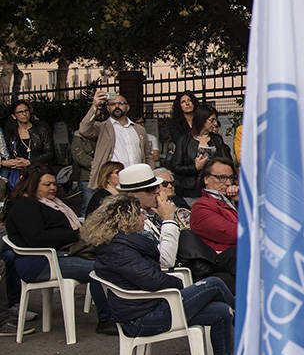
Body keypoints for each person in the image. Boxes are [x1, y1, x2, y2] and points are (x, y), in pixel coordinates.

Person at [85, 194, 235, 355]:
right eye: (139, 214)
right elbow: (154, 280)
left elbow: (152, 277)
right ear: (126, 220)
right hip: (143, 317)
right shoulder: (119, 251)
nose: (144, 219)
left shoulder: (120, 246)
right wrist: (180, 285)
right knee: (214, 284)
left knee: (221, 312)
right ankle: (247, 324)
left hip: (147, 307)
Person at [4, 165, 114, 334]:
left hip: (58, 256)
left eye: (54, 184)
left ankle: (120, 314)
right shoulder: (25, 205)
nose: (53, 188)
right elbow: (36, 239)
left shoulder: (51, 203)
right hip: (38, 263)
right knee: (99, 269)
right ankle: (106, 321)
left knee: (110, 260)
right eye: (47, 184)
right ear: (32, 185)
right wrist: (76, 234)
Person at [78, 91, 152, 190]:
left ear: (127, 107)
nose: (117, 106)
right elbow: (84, 129)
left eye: (121, 103)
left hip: (137, 180)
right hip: (113, 182)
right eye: (112, 104)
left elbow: (147, 155)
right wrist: (94, 106)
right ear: (108, 108)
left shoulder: (139, 129)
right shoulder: (102, 127)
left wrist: (151, 175)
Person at [116, 164, 182, 271]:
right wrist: (168, 220)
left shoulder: (153, 211)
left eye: (157, 186)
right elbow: (166, 261)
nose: (157, 191)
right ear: (132, 195)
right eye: (150, 189)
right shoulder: (130, 221)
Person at [167, 105, 231, 201]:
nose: (215, 123)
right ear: (202, 120)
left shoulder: (217, 140)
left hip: (214, 191)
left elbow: (227, 161)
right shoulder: (185, 140)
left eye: (215, 120)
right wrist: (195, 167)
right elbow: (175, 167)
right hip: (190, 193)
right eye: (212, 120)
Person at [4, 100, 54, 190]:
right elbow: (6, 153)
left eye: (26, 110)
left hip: (38, 172)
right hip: (18, 175)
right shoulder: (10, 132)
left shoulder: (41, 128)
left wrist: (29, 162)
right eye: (20, 112)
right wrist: (9, 163)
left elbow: (49, 153)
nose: (24, 114)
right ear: (14, 116)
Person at [69, 131, 97, 218]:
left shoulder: (98, 134)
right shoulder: (78, 138)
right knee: (87, 206)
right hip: (87, 177)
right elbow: (80, 157)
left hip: (101, 175)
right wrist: (97, 165)